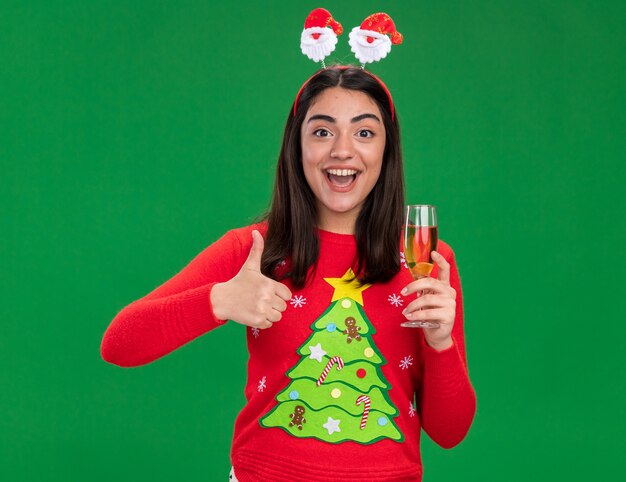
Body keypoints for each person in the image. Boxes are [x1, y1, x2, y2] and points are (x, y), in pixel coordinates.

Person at [101, 65, 476, 481]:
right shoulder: (254, 250)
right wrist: (219, 300)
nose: (342, 150)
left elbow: (449, 433)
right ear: (296, 146)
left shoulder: (425, 259)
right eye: (322, 131)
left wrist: (441, 344)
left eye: (364, 133)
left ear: (388, 150)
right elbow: (120, 343)